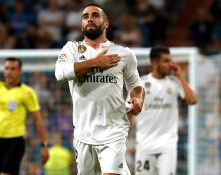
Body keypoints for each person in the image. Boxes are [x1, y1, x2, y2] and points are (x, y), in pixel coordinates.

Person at [55, 3, 145, 175]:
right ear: (81, 24)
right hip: (83, 134)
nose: (89, 18)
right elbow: (60, 73)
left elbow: (136, 85)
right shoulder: (72, 49)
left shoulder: (123, 53)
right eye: (85, 16)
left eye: (95, 15)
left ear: (106, 23)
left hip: (114, 130)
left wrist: (138, 98)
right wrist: (96, 63)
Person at [133, 46, 198, 175]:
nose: (171, 64)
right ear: (155, 63)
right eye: (166, 61)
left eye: (170, 60)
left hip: (167, 146)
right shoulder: (141, 84)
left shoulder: (175, 83)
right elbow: (128, 110)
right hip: (144, 146)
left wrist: (180, 75)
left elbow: (192, 100)